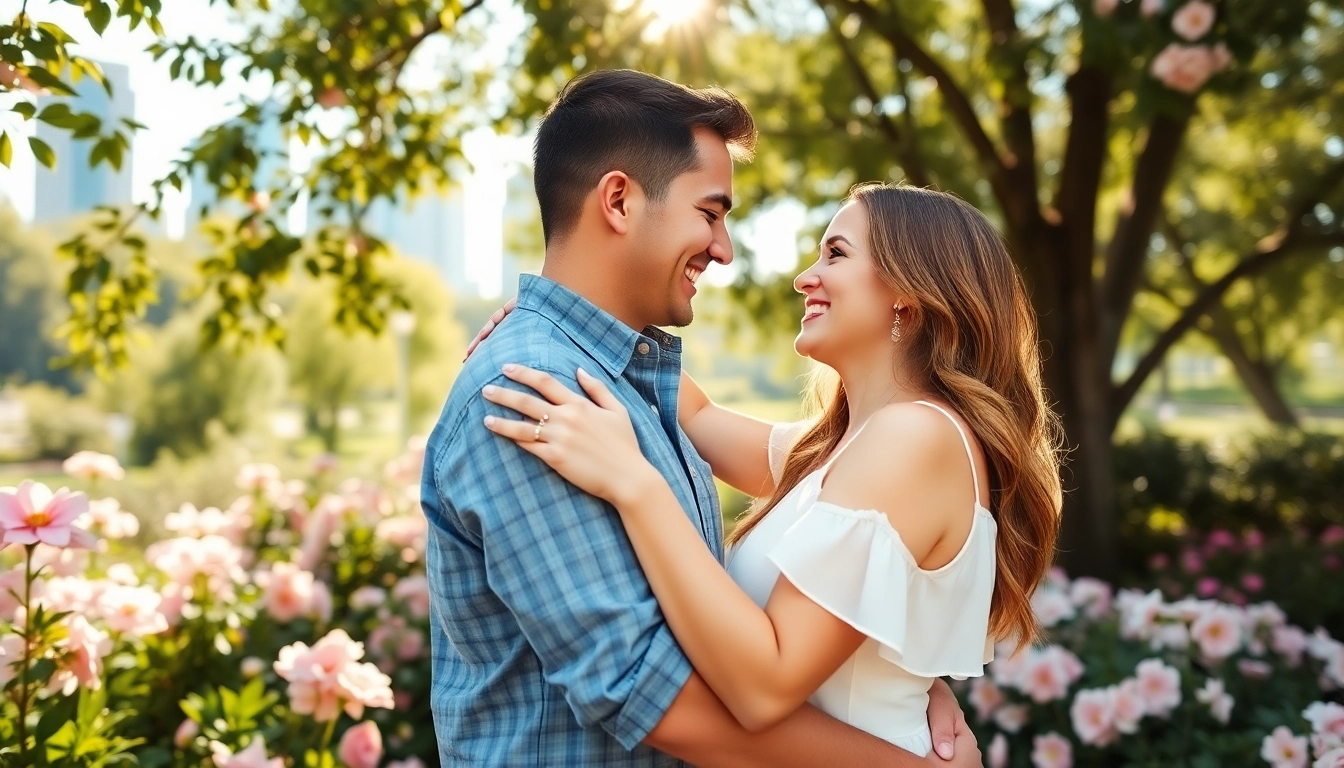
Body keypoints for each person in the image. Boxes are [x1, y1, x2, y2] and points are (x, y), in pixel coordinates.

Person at [422, 70, 978, 767]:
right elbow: (652, 693)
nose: (725, 248)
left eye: (836, 254)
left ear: (909, 297)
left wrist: (899, 678)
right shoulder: (539, 393)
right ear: (619, 201)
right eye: (711, 213)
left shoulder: (899, 440)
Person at [478, 182, 1064, 755]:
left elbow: (766, 685)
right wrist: (561, 327)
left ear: (907, 296)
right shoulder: (847, 446)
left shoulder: (913, 438)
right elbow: (699, 416)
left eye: (836, 254)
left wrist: (635, 486)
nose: (805, 277)